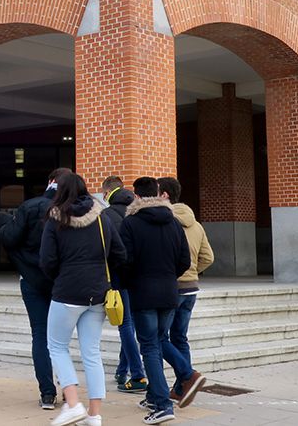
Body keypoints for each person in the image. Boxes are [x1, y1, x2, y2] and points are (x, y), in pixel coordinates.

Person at [41, 173, 126, 426]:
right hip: (99, 292)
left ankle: (72, 403)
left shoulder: (55, 219)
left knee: (56, 346)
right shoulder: (102, 218)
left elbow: (46, 261)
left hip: (67, 291)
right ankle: (95, 415)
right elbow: (120, 253)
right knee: (91, 352)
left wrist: (62, 276)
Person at [0, 167, 71, 410]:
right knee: (61, 340)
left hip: (31, 279)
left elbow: (10, 238)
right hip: (62, 282)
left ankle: (47, 393)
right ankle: (67, 389)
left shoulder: (30, 207)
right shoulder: (75, 210)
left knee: (39, 334)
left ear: (50, 181)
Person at [120, 176, 192, 425]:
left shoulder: (130, 223)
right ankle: (161, 392)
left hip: (143, 294)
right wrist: (168, 277)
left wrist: (129, 282)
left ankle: (162, 404)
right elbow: (184, 260)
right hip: (169, 292)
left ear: (137, 196)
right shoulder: (173, 222)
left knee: (150, 347)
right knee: (160, 341)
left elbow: (124, 261)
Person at [162, 176, 212, 407]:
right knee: (180, 338)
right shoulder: (197, 224)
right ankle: (183, 388)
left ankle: (187, 375)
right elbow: (208, 258)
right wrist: (192, 271)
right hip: (191, 288)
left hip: (172, 287)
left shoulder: (165, 221)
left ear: (164, 196)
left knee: (159, 337)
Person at [101, 175, 145, 394]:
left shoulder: (106, 215)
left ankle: (137, 373)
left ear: (107, 192)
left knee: (125, 324)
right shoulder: (137, 211)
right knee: (130, 324)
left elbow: (106, 249)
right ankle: (122, 369)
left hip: (119, 277)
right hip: (141, 277)